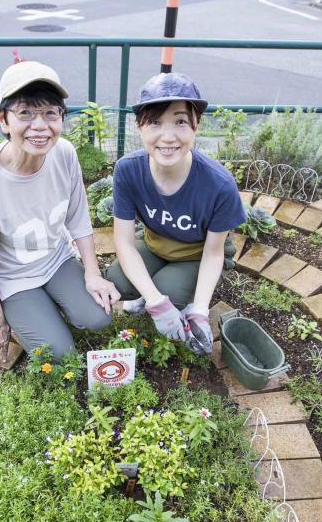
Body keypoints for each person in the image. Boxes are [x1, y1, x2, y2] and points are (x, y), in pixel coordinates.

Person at [0, 59, 120, 364]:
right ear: (4, 120)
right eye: (25, 113)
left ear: (61, 118)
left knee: (100, 318)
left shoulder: (64, 154)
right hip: (14, 277)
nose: (39, 126)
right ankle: (30, 311)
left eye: (50, 113)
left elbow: (78, 218)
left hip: (56, 260)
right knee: (59, 354)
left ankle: (50, 306)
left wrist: (93, 274)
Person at [105, 72, 246, 355]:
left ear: (196, 124)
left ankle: (178, 296)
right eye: (155, 122)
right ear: (140, 125)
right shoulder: (128, 169)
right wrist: (155, 301)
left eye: (180, 121)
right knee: (119, 281)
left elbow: (214, 253)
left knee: (169, 289)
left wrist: (200, 311)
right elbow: (123, 242)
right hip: (156, 244)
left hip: (196, 254)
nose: (168, 137)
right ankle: (153, 295)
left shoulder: (218, 184)